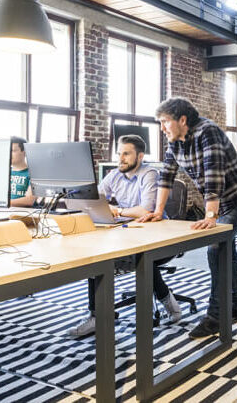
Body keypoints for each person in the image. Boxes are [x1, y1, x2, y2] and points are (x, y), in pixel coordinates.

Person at [137, 97, 237, 339]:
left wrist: (211, 216)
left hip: (235, 198)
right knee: (226, 251)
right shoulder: (174, 141)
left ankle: (216, 316)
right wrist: (157, 211)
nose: (162, 127)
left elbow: (214, 175)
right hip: (217, 200)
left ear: (182, 119)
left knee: (216, 249)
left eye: (165, 121)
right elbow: (166, 176)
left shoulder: (207, 132)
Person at [69, 134, 181, 337]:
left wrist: (117, 211)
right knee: (95, 256)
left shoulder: (149, 174)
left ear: (140, 156)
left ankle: (168, 303)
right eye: (119, 153)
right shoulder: (114, 175)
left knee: (143, 257)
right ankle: (98, 316)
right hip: (127, 232)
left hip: (158, 237)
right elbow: (95, 199)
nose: (120, 158)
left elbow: (146, 210)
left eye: (126, 154)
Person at [10, 136, 36, 207]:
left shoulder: (33, 173)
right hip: (1, 210)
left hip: (23, 212)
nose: (9, 153)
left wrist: (5, 202)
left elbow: (29, 200)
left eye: (13, 151)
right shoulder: (3, 173)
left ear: (25, 152)